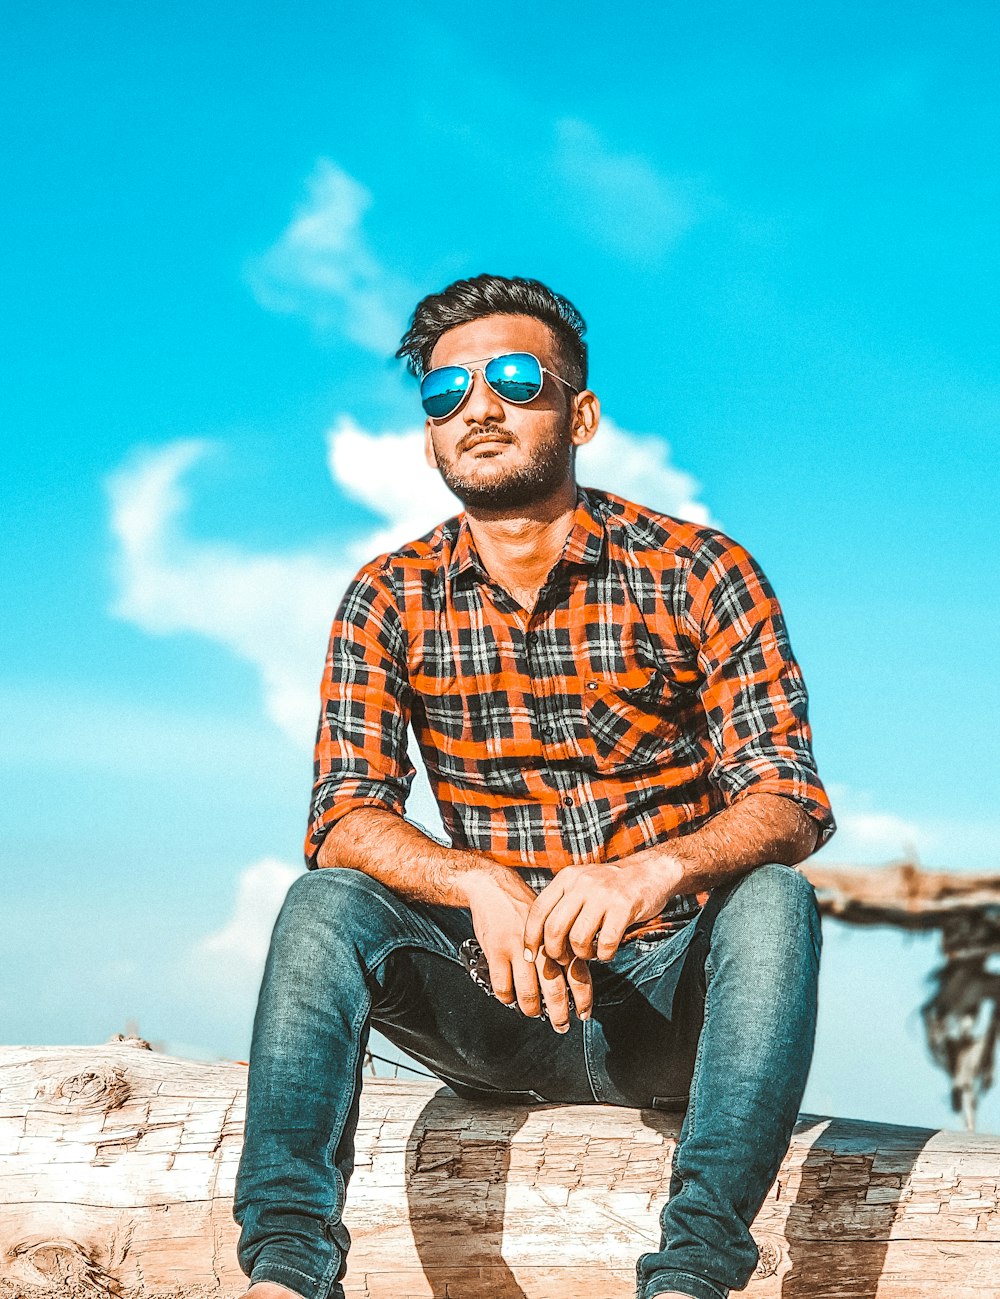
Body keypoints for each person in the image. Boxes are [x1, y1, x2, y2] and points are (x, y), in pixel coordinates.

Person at [233, 274, 835, 1299]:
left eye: (515, 379)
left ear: (579, 413)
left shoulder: (699, 570)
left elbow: (789, 797)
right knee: (324, 906)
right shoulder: (388, 596)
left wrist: (657, 869)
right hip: (498, 1009)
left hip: (670, 1008)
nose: (478, 406)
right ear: (429, 437)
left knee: (777, 901)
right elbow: (341, 814)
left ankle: (691, 1273)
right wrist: (475, 882)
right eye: (445, 392)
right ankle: (286, 1272)